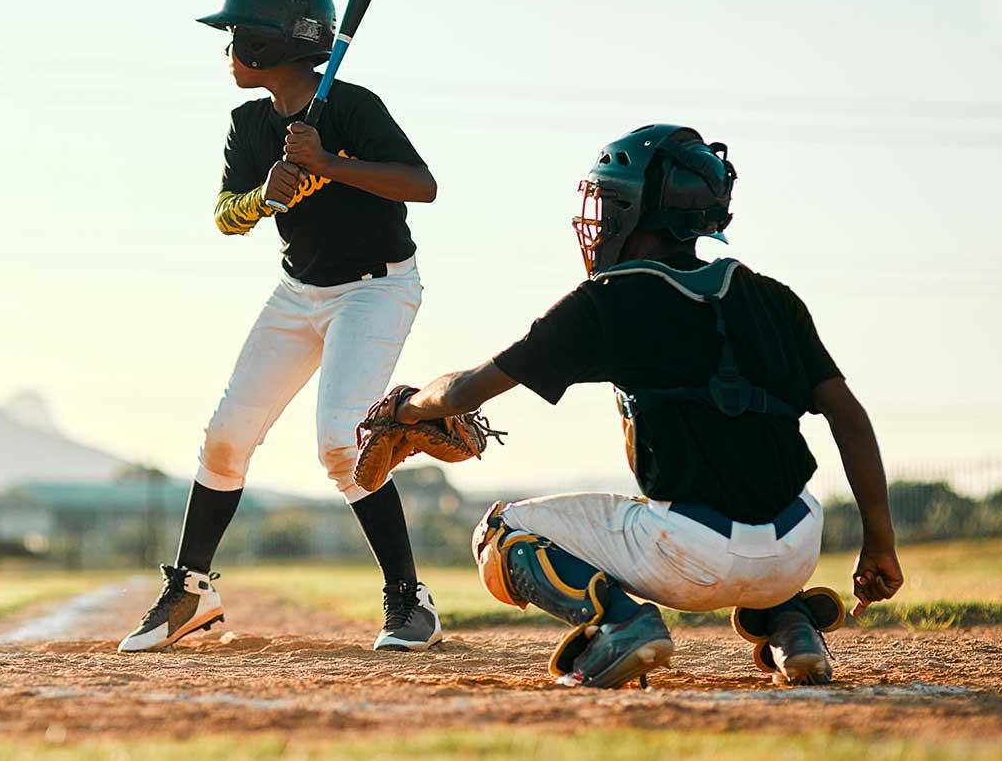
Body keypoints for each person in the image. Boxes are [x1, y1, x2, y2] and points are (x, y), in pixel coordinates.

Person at [380, 124, 903, 687]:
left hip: (689, 556)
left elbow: (463, 393)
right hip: (799, 543)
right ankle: (792, 623)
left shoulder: (608, 299)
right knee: (730, 494)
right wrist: (880, 542)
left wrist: (407, 407)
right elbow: (849, 417)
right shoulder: (772, 296)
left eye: (608, 201)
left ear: (635, 210)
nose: (598, 216)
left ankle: (621, 623)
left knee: (500, 532)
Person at [118, 0, 443, 653]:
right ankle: (192, 591)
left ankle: (410, 601)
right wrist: (266, 194)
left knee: (338, 444)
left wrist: (332, 161)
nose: (228, 49)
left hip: (377, 289)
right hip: (300, 292)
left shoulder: (353, 109)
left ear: (268, 45)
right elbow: (225, 218)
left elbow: (422, 185)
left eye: (236, 35)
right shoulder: (249, 126)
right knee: (226, 436)